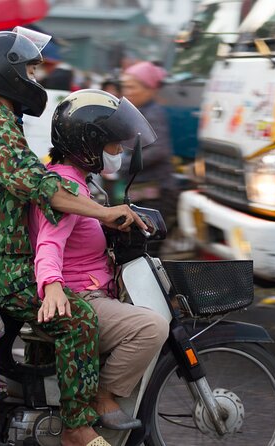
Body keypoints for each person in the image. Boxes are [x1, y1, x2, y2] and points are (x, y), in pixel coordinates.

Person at [0, 28, 145, 446]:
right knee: (79, 320)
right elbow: (45, 188)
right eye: (30, 71)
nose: (35, 81)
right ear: (5, 73)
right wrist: (106, 213)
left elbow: (28, 178)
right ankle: (76, 427)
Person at [29, 89, 169, 431]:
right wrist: (52, 287)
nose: (119, 152)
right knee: (151, 328)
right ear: (88, 144)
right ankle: (100, 395)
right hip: (81, 295)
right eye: (112, 145)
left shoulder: (79, 181)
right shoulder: (66, 188)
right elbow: (49, 242)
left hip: (96, 288)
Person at [119, 61, 178, 256]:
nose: (127, 91)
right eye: (125, 86)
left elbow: (159, 149)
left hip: (157, 194)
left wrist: (123, 164)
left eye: (132, 87)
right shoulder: (139, 112)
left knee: (148, 250)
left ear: (149, 90)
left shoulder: (153, 114)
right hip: (143, 193)